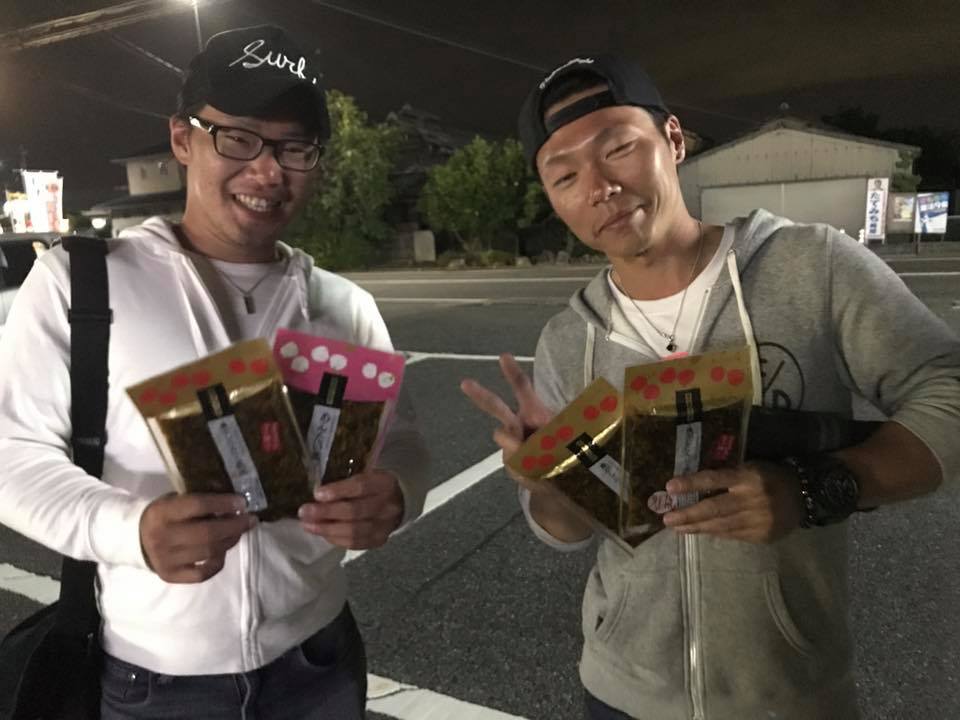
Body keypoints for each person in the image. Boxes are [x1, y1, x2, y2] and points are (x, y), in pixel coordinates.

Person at [462, 54, 960, 720]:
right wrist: (549, 484)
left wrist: (815, 488)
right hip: (620, 692)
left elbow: (947, 390)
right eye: (565, 175)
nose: (599, 187)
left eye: (618, 149)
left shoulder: (810, 265)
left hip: (787, 696)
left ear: (673, 140)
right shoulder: (567, 339)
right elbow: (567, 530)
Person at [0, 25, 429, 720]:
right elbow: (12, 453)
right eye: (238, 139)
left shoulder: (346, 307)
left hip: (320, 661)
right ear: (182, 138)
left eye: (294, 147)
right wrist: (130, 531)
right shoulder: (81, 285)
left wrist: (398, 493)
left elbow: (399, 440)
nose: (268, 171)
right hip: (154, 682)